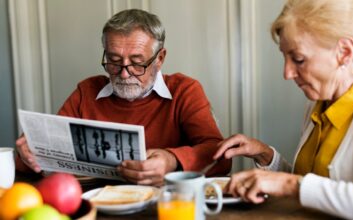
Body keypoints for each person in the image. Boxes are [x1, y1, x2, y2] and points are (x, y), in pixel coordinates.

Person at [214, 0, 353, 219]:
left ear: (344, 52)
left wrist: (290, 184)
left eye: (298, 59)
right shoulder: (318, 103)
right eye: (285, 57)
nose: (287, 73)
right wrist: (267, 156)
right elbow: (311, 187)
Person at [16, 9, 231, 186]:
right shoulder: (87, 91)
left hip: (166, 206)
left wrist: (173, 161)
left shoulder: (185, 90)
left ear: (160, 58)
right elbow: (44, 155)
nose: (124, 73)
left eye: (137, 62)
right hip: (95, 204)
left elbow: (219, 156)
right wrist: (32, 149)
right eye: (114, 60)